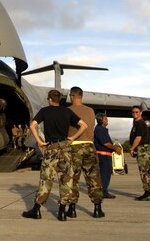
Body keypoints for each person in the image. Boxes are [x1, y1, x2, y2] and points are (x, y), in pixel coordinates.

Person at [22, 89, 87, 221]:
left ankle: (37, 210)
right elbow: (84, 125)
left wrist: (40, 142)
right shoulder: (67, 111)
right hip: (65, 148)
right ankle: (62, 212)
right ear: (59, 100)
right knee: (66, 179)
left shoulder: (45, 111)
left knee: (46, 179)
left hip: (51, 148)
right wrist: (73, 138)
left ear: (50, 99)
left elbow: (32, 126)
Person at [63, 86, 105, 218]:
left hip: (74, 147)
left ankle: (72, 208)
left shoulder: (67, 111)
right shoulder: (91, 111)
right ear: (81, 96)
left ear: (71, 96)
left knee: (73, 178)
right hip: (89, 146)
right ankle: (97, 208)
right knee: (93, 179)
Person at [130, 105, 150, 201]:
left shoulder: (139, 123)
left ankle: (147, 193)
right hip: (145, 149)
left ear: (141, 113)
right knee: (148, 171)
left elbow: (138, 138)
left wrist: (132, 148)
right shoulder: (138, 123)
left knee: (144, 172)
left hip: (142, 149)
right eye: (133, 112)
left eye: (137, 112)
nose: (135, 114)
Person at [94, 113, 122, 198]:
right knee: (105, 174)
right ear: (100, 120)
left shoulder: (102, 129)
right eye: (105, 119)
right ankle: (103, 192)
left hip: (105, 155)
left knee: (105, 174)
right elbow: (105, 143)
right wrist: (115, 148)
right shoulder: (100, 130)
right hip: (104, 156)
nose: (107, 120)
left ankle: (102, 190)